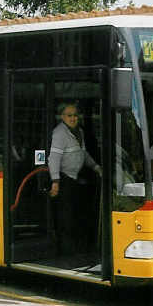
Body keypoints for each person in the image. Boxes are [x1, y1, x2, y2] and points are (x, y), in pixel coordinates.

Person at [48, 102, 101, 255]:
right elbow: (54, 158)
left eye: (75, 115)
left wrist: (96, 167)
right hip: (64, 179)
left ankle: (76, 248)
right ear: (62, 117)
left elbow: (83, 154)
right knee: (66, 217)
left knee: (76, 214)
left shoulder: (79, 132)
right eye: (69, 115)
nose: (73, 118)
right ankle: (66, 251)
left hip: (74, 179)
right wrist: (55, 181)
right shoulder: (60, 133)